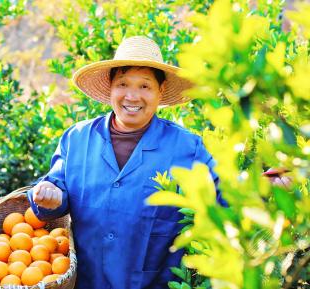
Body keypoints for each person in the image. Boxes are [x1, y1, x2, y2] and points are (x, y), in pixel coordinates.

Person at [28, 36, 225, 289]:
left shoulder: (187, 148)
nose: (132, 96)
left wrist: (266, 188)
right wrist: (49, 197)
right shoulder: (77, 139)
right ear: (110, 86)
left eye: (145, 86)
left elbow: (223, 196)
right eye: (123, 84)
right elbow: (55, 188)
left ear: (160, 91)